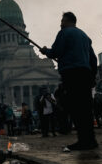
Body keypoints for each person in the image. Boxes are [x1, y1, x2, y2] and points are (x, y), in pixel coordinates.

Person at [40, 12, 98, 150]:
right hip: (85, 74)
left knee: (76, 108)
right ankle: (91, 140)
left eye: (62, 21)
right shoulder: (84, 36)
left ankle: (83, 141)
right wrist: (92, 77)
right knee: (86, 109)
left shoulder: (64, 33)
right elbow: (93, 59)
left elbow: (56, 52)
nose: (60, 24)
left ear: (68, 21)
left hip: (71, 74)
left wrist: (45, 51)